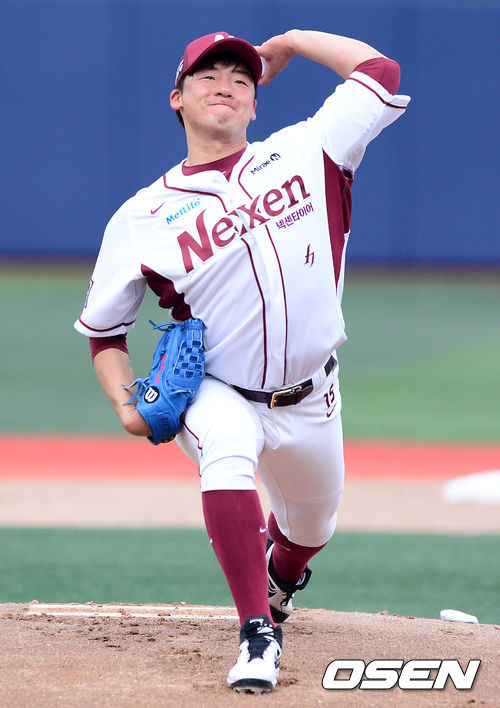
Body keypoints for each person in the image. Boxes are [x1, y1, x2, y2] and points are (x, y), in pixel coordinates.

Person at [75, 29, 410, 693]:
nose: (224, 85)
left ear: (257, 102)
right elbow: (104, 333)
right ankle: (258, 632)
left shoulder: (309, 150)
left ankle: (281, 578)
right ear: (177, 98)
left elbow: (381, 70)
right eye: (206, 76)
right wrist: (124, 403)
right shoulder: (142, 217)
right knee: (225, 452)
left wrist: (291, 42)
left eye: (240, 77)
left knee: (311, 526)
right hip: (218, 387)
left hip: (313, 392)